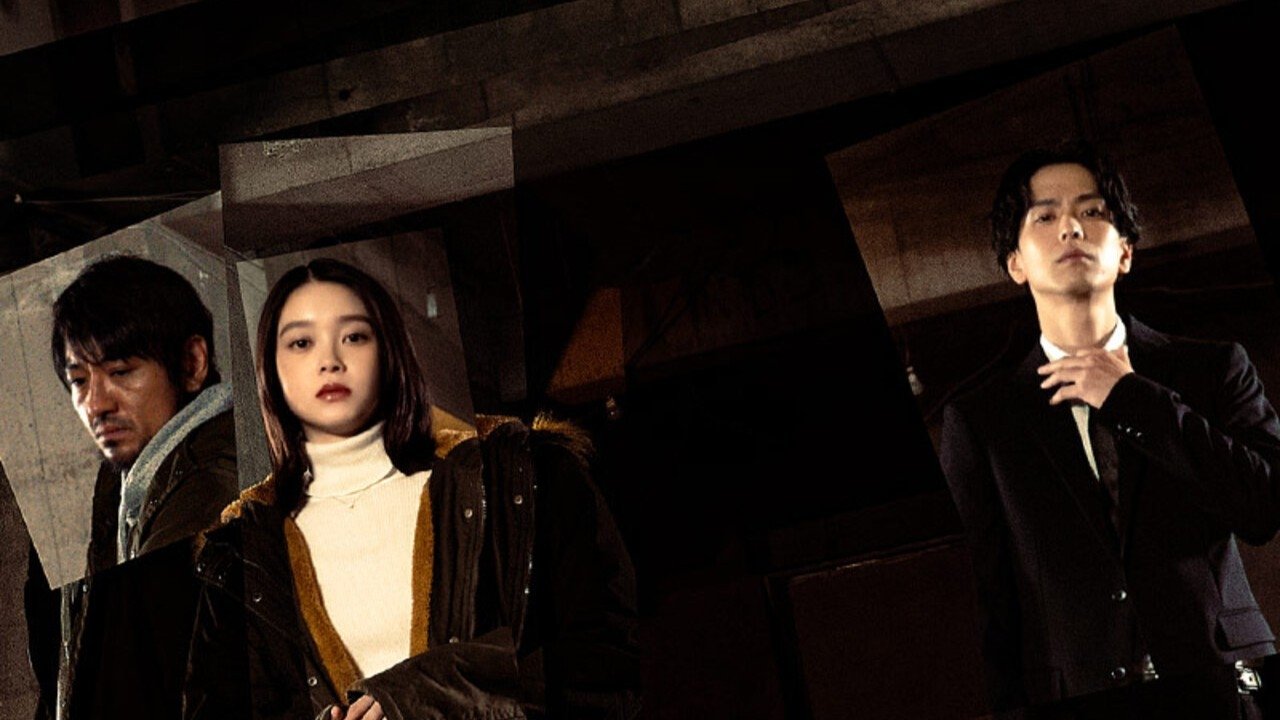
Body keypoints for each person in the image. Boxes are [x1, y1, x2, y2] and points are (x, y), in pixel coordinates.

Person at [184, 258, 640, 720]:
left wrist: (423, 695)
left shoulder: (522, 474)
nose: (329, 360)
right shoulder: (241, 550)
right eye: (301, 342)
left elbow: (608, 664)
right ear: (271, 369)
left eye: (354, 336)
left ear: (391, 350)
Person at [941, 143, 1280, 719]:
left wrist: (1131, 397)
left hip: (1222, 688)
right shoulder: (981, 419)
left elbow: (1264, 506)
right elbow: (990, 600)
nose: (1071, 227)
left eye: (1092, 211)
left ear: (1125, 251)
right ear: (1015, 263)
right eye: (1045, 216)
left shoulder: (1214, 367)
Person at [27, 254, 238, 719]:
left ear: (192, 362)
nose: (94, 404)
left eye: (121, 372)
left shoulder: (214, 482)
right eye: (78, 380)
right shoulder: (121, 481)